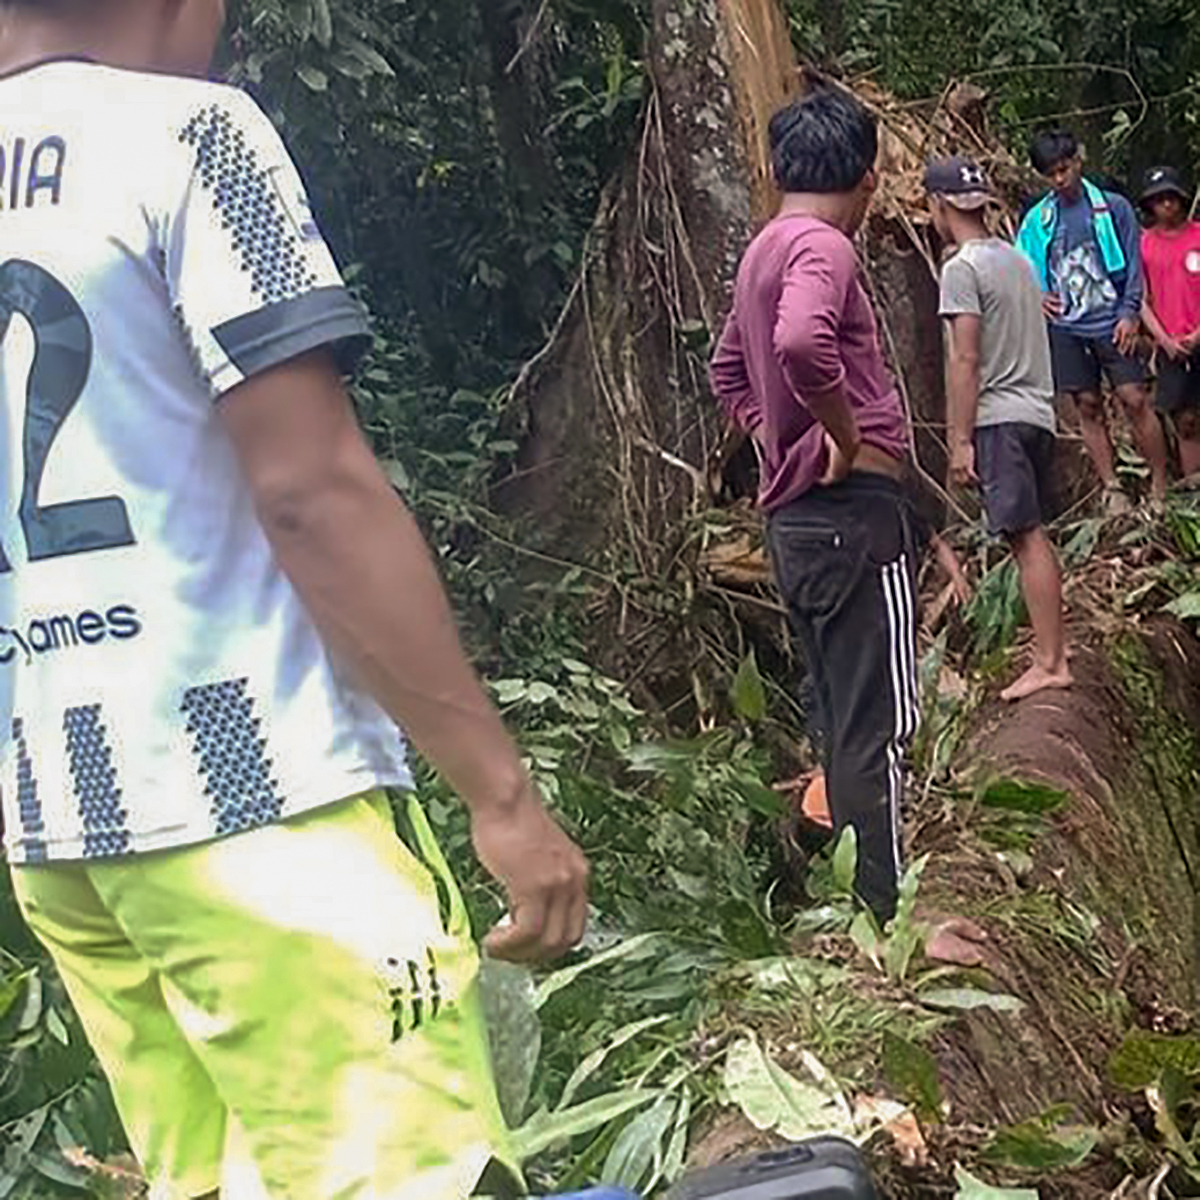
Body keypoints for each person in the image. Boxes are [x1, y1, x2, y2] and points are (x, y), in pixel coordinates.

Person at [0, 2, 589, 1197]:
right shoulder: (188, 137)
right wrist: (502, 796)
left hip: (59, 826)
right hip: (258, 804)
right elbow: (312, 490)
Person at [708, 88, 986, 969]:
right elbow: (798, 344)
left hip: (798, 525)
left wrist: (773, 436)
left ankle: (854, 893)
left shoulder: (763, 248)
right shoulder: (823, 246)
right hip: (852, 520)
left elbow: (728, 369)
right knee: (883, 721)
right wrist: (836, 434)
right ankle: (891, 922)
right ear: (868, 178)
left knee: (840, 717)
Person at [926, 157, 1072, 702]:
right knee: (1034, 534)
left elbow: (966, 358)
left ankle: (1050, 660)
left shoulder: (962, 269)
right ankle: (1054, 649)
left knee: (1024, 538)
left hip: (1001, 417)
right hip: (1038, 411)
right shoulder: (1016, 261)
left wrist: (961, 439)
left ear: (939, 206)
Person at [1015, 129, 1169, 512]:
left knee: (1134, 398)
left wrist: (1130, 311)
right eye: (1050, 173)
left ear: (1078, 161)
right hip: (1066, 325)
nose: (1060, 179)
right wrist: (1036, 293)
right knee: (1086, 403)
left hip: (1111, 318)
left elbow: (1134, 264)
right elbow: (1023, 262)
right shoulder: (1039, 218)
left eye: (1064, 169)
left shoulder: (1112, 207)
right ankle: (1112, 486)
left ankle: (1161, 485)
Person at [1139, 165, 1200, 483]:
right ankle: (1193, 492)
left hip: (1197, 335)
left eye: (1171, 198)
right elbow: (1142, 300)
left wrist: (1197, 335)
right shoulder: (1145, 244)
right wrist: (1163, 340)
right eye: (1158, 199)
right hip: (1170, 344)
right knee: (1185, 420)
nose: (1166, 205)